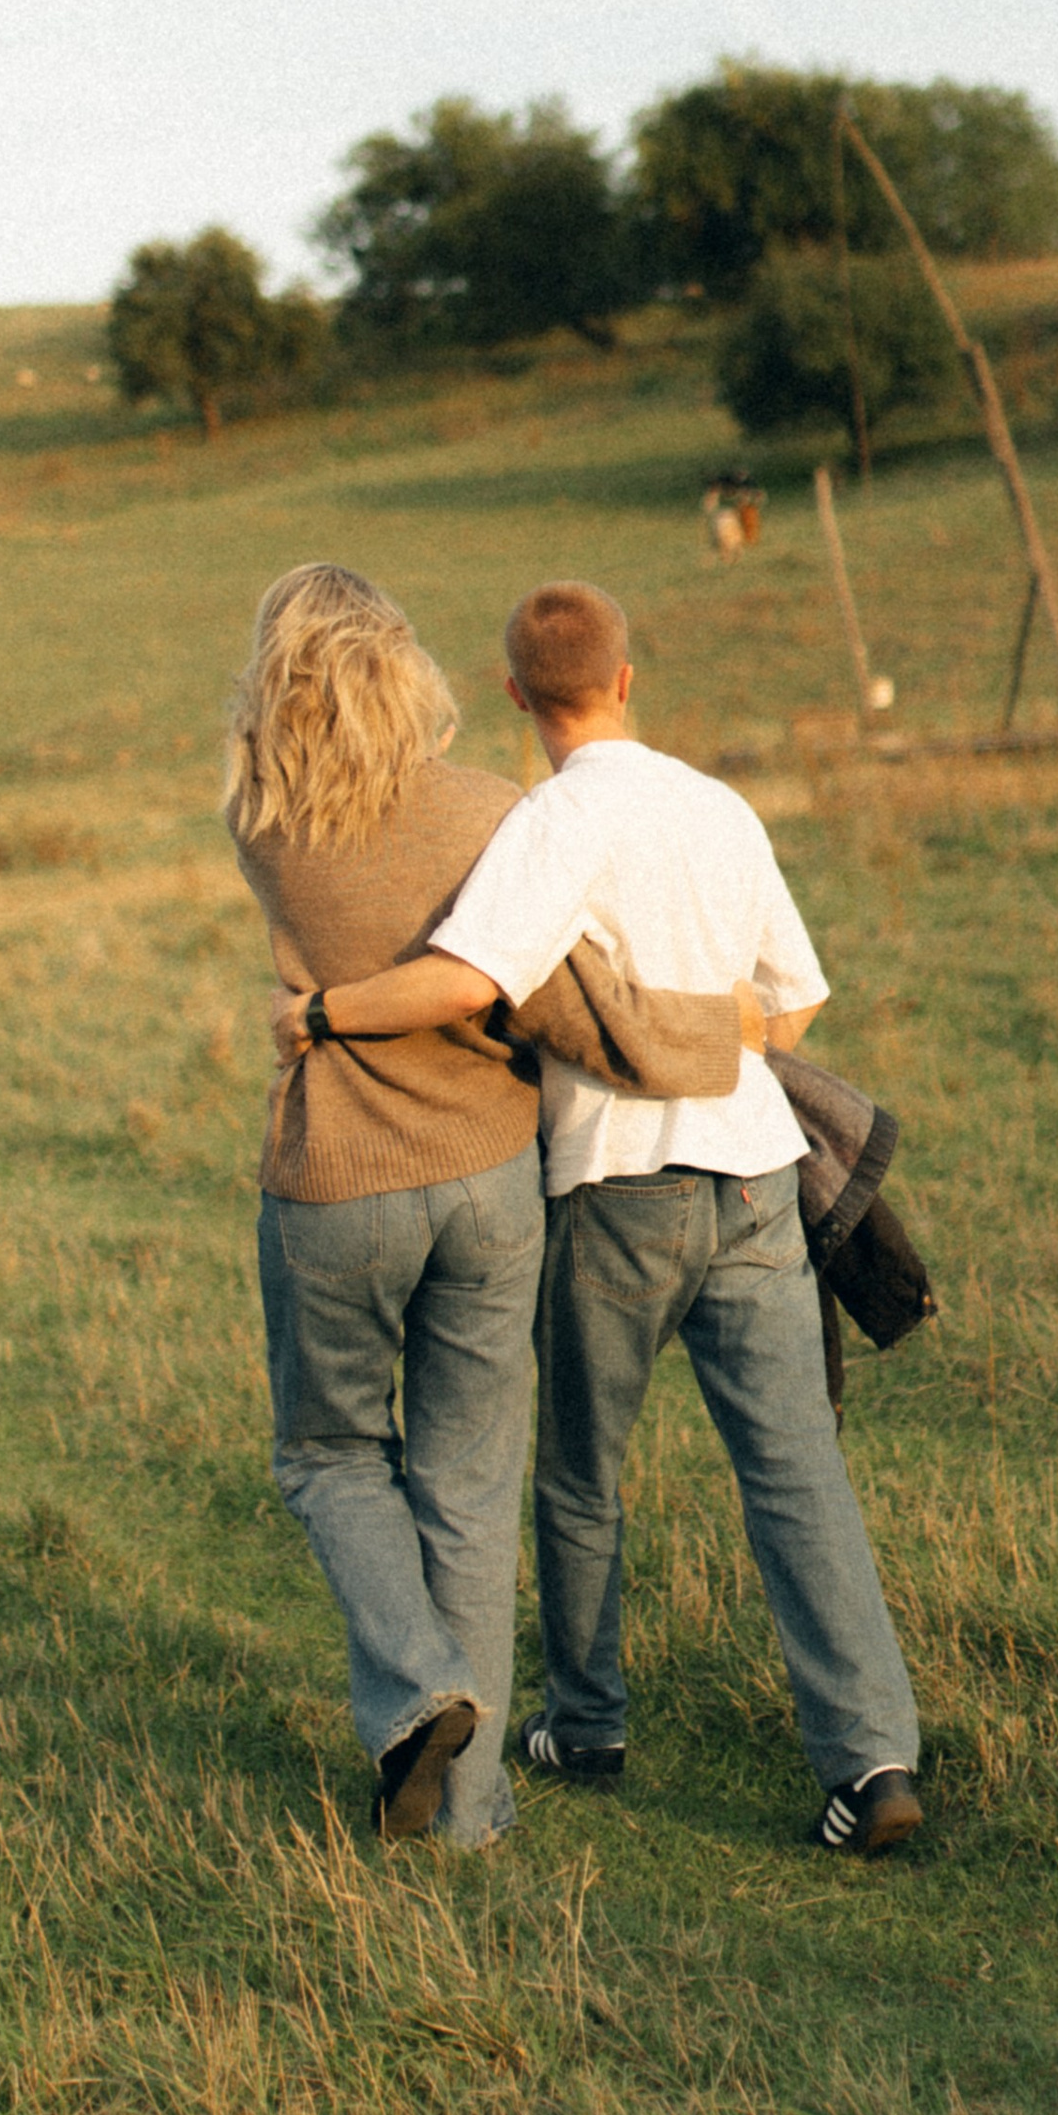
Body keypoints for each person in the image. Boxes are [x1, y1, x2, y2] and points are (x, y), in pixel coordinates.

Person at [271, 580, 925, 1859]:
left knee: (580, 1476)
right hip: (755, 1180)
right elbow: (791, 1008)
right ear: (628, 677)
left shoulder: (551, 820)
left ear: (517, 694)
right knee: (797, 1478)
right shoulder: (720, 808)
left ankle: (585, 1720)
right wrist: (700, 1024)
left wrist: (325, 1014)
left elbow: (469, 978)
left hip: (618, 1188)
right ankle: (874, 1761)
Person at [227, 564, 753, 1849]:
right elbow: (558, 996)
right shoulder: (490, 812)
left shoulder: (260, 819)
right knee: (467, 1489)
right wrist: (710, 1045)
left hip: (337, 1187)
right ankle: (469, 1820)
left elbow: (268, 759)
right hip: (488, 1181)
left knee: (329, 1454)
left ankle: (416, 1694)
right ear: (407, 674)